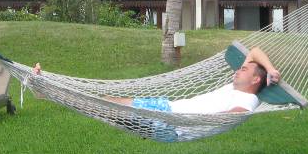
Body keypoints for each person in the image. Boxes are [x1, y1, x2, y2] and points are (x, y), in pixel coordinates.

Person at [31, 46, 281, 115]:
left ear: (255, 79)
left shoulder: (248, 101)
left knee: (105, 108)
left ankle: (47, 91)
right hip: (165, 108)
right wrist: (271, 69)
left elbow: (229, 117)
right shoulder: (235, 86)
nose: (237, 70)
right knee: (108, 102)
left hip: (171, 121)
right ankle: (49, 91)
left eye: (244, 69)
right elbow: (255, 51)